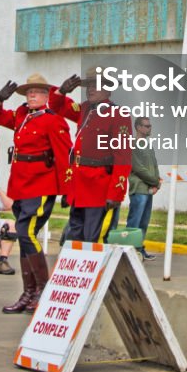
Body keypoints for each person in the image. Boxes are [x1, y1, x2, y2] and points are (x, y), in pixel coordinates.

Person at [0, 72, 71, 315]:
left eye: (36, 92)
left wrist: (67, 189)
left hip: (42, 185)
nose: (31, 95)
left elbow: (64, 156)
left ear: (46, 95)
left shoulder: (54, 120)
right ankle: (28, 292)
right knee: (26, 238)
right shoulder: (22, 115)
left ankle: (43, 291)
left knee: (25, 233)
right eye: (28, 92)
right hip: (21, 185)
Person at [50, 68, 132, 244]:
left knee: (93, 239)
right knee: (75, 237)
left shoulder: (118, 115)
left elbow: (123, 157)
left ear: (108, 89)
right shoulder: (85, 108)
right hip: (79, 185)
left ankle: (98, 272)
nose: (91, 89)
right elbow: (57, 107)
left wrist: (115, 192)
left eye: (97, 85)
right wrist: (61, 91)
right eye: (89, 85)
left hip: (99, 186)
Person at [126, 116, 161, 260]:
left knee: (143, 222)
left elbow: (154, 165)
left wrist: (156, 182)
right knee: (135, 222)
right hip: (139, 189)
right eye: (146, 126)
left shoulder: (147, 145)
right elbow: (139, 169)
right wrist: (154, 181)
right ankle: (129, 251)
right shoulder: (133, 144)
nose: (149, 128)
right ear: (138, 127)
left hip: (148, 190)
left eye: (150, 126)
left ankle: (139, 249)